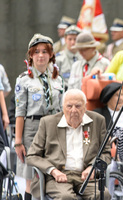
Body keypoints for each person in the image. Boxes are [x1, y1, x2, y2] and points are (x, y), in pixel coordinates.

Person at [26, 89, 111, 200]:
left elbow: (106, 152)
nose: (74, 110)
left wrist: (92, 167)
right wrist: (53, 170)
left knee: (103, 195)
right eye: (69, 106)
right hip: (58, 177)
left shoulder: (97, 121)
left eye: (78, 106)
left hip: (87, 176)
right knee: (66, 197)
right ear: (62, 107)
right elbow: (32, 156)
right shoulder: (48, 123)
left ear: (85, 107)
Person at [14, 33, 64, 200]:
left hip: (54, 128)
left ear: (51, 55)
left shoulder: (58, 80)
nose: (41, 55)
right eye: (36, 52)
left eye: (45, 51)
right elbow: (20, 112)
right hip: (33, 128)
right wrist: (18, 141)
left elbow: (62, 108)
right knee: (31, 175)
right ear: (31, 55)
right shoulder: (24, 80)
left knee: (53, 171)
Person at [56, 25, 83, 89]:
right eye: (70, 39)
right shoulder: (58, 59)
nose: (72, 42)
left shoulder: (84, 58)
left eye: (75, 39)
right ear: (65, 39)